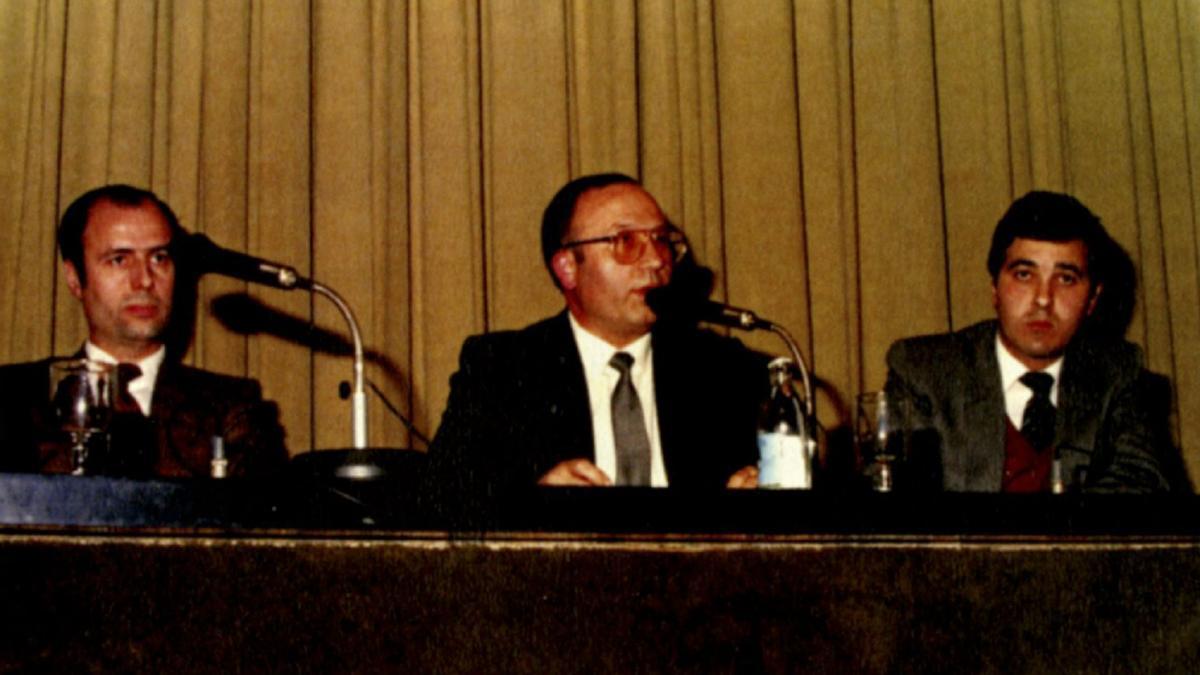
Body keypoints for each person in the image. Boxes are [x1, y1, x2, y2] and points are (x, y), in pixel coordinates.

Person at [429, 173, 767, 492]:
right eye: (626, 241)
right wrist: (533, 502)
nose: (655, 261)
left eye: (661, 240)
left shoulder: (726, 368)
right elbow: (444, 495)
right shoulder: (501, 369)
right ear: (568, 268)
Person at [885, 191, 1169, 493]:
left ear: (1093, 299)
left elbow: (1140, 491)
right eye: (1024, 275)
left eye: (1066, 279)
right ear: (995, 288)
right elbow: (903, 510)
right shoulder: (924, 372)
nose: (1043, 299)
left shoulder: (1119, 375)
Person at [0, 184, 288, 477]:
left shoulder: (230, 407)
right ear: (74, 278)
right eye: (119, 260)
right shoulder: (14, 398)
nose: (145, 281)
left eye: (159, 258)